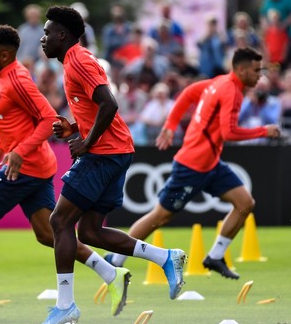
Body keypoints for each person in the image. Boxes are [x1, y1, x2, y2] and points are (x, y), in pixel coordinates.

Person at [0, 25, 132, 319]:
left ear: (5, 55)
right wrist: (1, 146)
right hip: (36, 166)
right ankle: (111, 273)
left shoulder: (18, 78)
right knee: (49, 234)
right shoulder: (2, 78)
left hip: (25, 168)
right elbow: (15, 123)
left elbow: (48, 118)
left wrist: (18, 152)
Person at [34, 6, 186, 324]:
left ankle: (65, 306)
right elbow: (97, 107)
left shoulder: (79, 60)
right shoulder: (73, 61)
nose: (42, 39)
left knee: (59, 222)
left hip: (104, 153)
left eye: (47, 33)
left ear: (62, 36)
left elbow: (110, 103)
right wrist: (74, 127)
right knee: (89, 232)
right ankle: (166, 257)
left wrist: (86, 141)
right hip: (114, 151)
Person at [107, 48, 281, 279]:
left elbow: (188, 93)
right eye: (256, 70)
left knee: (244, 203)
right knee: (159, 216)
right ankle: (115, 260)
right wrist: (263, 131)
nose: (260, 75)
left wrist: (170, 125)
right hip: (191, 166)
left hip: (210, 164)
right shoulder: (231, 91)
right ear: (241, 69)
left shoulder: (219, 82)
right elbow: (228, 132)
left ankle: (215, 257)